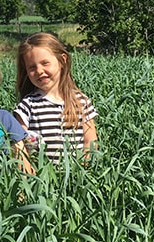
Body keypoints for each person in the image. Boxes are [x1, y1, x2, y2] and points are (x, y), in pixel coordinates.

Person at [14, 32, 97, 165]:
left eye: (45, 63)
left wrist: (85, 170)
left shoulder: (81, 102)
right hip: (42, 180)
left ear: (62, 60)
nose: (39, 71)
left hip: (78, 177)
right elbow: (18, 144)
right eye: (32, 67)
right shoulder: (28, 105)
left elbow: (90, 142)